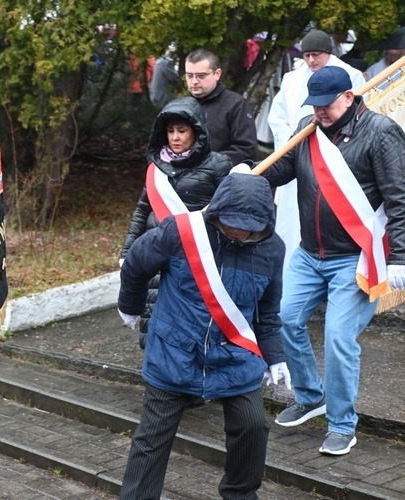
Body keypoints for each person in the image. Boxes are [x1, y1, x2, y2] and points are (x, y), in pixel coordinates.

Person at [118, 172, 289, 499]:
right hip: (175, 352)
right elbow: (136, 264)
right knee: (152, 439)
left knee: (253, 426)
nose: (238, 229)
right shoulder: (181, 232)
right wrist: (131, 305)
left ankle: (240, 495)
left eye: (248, 224)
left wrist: (276, 357)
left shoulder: (272, 250)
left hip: (234, 356)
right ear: (217, 210)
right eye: (231, 221)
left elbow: (266, 313)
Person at [261, 66, 405, 455]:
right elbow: (280, 169)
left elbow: (399, 197)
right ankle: (311, 397)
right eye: (315, 105)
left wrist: (400, 257)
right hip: (309, 255)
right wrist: (249, 175)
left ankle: (342, 424)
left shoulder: (380, 132)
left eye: (326, 105)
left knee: (339, 339)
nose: (319, 112)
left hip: (355, 259)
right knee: (284, 319)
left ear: (348, 96)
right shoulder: (309, 130)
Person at [119, 96, 232, 346]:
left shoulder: (218, 165)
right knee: (154, 321)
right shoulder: (157, 166)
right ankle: (155, 374)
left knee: (192, 325)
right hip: (157, 255)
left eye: (182, 131)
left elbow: (228, 211)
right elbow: (141, 210)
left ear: (197, 132)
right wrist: (127, 250)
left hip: (197, 256)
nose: (175, 137)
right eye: (170, 131)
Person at [267, 28, 366, 270]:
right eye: (307, 55)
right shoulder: (292, 78)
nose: (312, 60)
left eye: (317, 55)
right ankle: (292, 269)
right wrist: (291, 141)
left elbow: (361, 114)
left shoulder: (350, 75)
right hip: (299, 154)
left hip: (336, 157)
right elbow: (276, 117)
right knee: (292, 217)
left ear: (328, 53)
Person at [184, 48, 258, 165]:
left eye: (201, 75)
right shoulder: (181, 105)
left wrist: (206, 164)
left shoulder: (236, 104)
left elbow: (246, 149)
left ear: (217, 74)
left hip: (221, 178)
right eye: (189, 75)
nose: (194, 81)